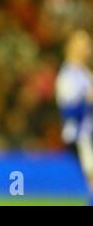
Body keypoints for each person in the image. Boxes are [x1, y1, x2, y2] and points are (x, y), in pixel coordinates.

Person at [56, 30, 93, 205]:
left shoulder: (85, 73)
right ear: (71, 46)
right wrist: (87, 101)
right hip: (81, 136)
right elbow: (67, 112)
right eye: (84, 43)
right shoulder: (67, 76)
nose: (89, 48)